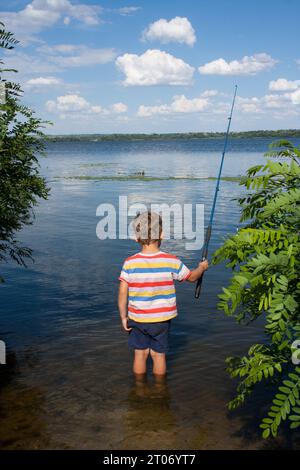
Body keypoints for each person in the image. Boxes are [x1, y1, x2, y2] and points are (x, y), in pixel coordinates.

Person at [118, 211, 209, 378]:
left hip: (137, 318)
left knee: (140, 354)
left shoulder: (130, 263)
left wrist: (123, 316)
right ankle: (160, 388)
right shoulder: (170, 260)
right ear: (161, 234)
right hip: (161, 319)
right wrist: (202, 267)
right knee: (158, 355)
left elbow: (123, 292)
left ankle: (139, 386)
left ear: (136, 238)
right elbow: (191, 277)